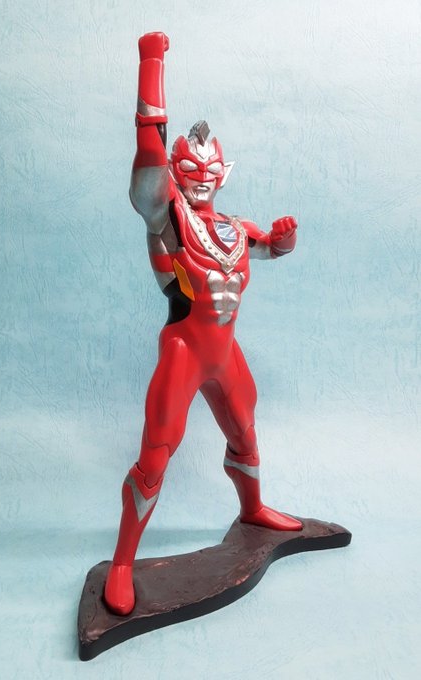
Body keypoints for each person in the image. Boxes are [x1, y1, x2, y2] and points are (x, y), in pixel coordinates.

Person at [104, 32, 302, 616]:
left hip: (225, 353)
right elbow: (147, 157)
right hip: (185, 348)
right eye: (189, 167)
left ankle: (252, 510)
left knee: (245, 434)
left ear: (223, 172)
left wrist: (285, 238)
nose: (201, 175)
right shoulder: (169, 217)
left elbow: (272, 248)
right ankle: (122, 562)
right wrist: (151, 62)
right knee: (155, 456)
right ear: (177, 169)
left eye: (210, 168)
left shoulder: (235, 229)